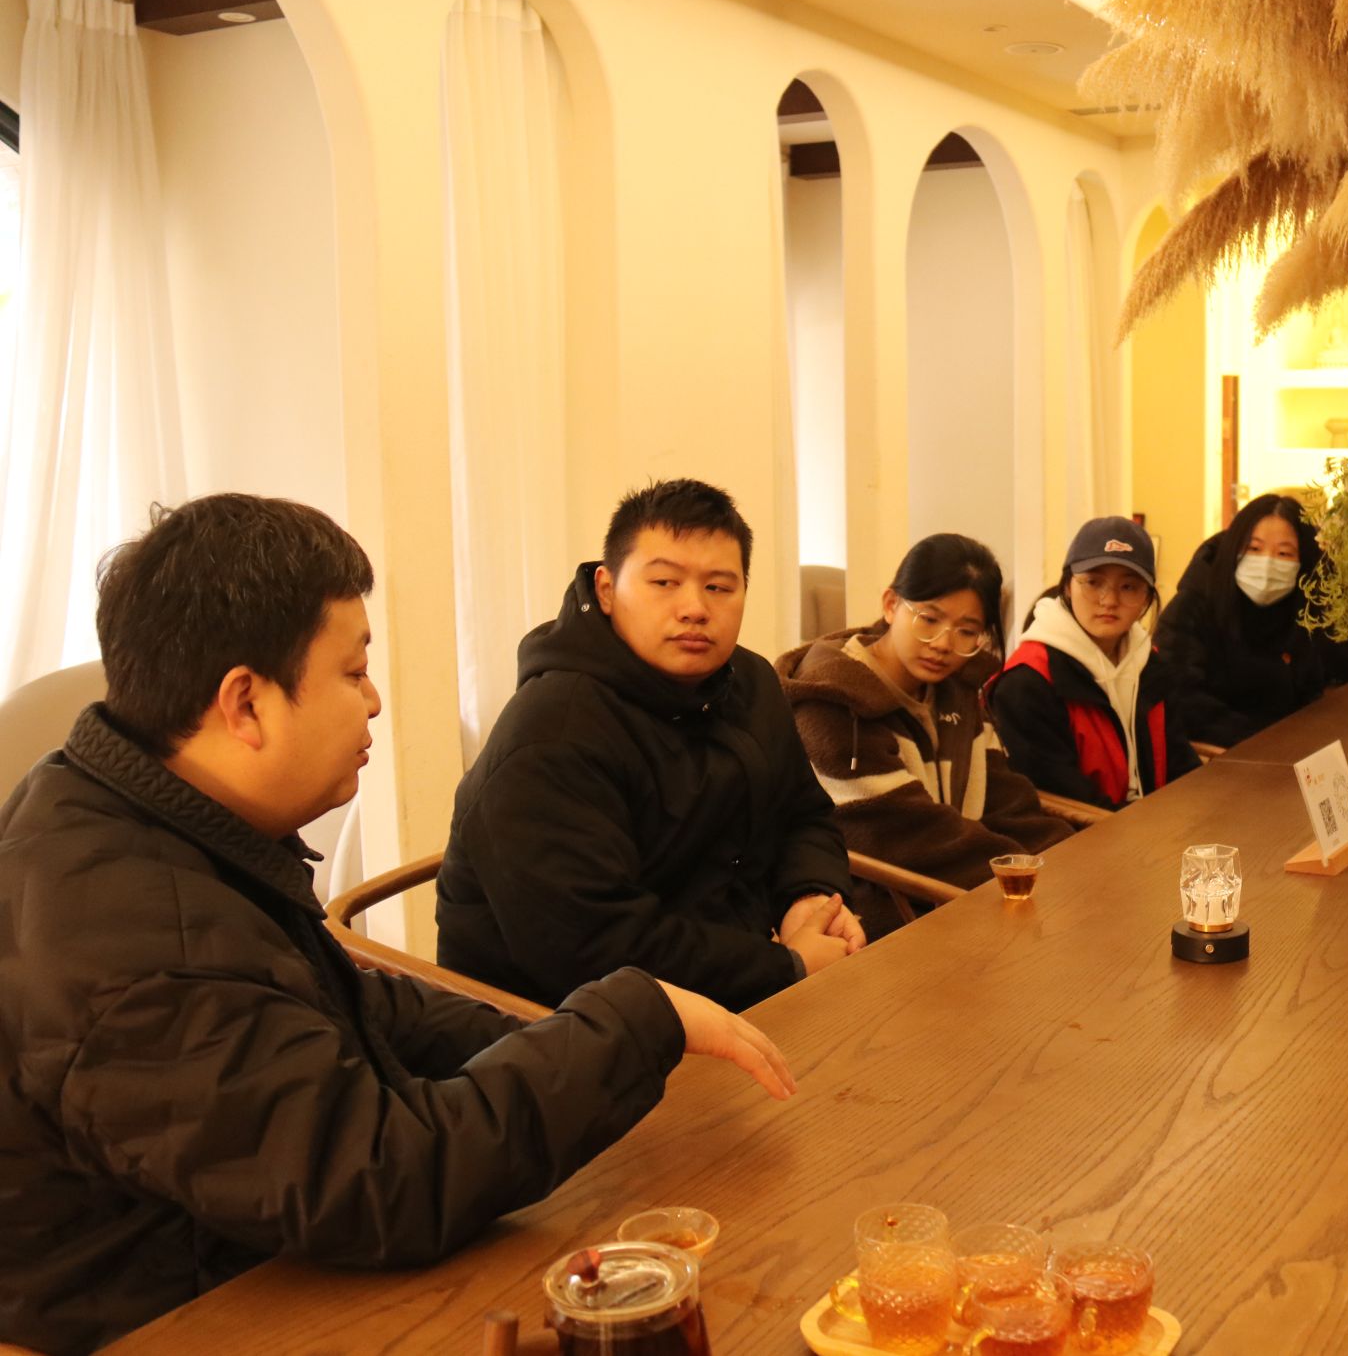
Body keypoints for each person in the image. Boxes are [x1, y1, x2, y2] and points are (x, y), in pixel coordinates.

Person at [0, 495, 794, 1356]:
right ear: (245, 703)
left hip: (252, 1243)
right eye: (353, 672)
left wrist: (577, 1045)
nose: (375, 701)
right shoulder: (134, 947)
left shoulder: (130, 807)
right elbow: (381, 1178)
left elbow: (348, 1003)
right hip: (184, 1312)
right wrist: (633, 1021)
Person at [436, 479, 862, 1011]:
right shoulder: (551, 736)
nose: (694, 608)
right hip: (559, 1025)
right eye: (664, 582)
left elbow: (801, 814)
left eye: (719, 587)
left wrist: (808, 899)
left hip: (733, 987)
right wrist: (786, 966)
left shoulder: (750, 682)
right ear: (607, 589)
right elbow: (595, 948)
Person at [775, 535, 1071, 934]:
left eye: (967, 630)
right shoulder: (832, 700)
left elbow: (1007, 802)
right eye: (929, 619)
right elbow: (907, 834)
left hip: (958, 895)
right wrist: (1027, 874)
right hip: (879, 917)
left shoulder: (959, 690)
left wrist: (1072, 860)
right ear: (890, 604)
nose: (944, 644)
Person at [988, 517, 1202, 810]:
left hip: (1152, 820)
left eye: (1128, 586)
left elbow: (1180, 761)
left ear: (1146, 598)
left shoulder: (1148, 664)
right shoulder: (1027, 680)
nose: (1109, 600)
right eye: (1093, 582)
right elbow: (1057, 795)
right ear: (1067, 586)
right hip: (1081, 831)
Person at [1154, 494, 1348, 747]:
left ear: (1302, 562)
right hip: (1224, 750)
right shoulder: (1194, 603)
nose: (1268, 562)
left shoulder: (1308, 606)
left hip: (1298, 746)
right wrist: (1266, 740)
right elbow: (1181, 695)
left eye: (1284, 553)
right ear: (1233, 548)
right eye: (1254, 549)